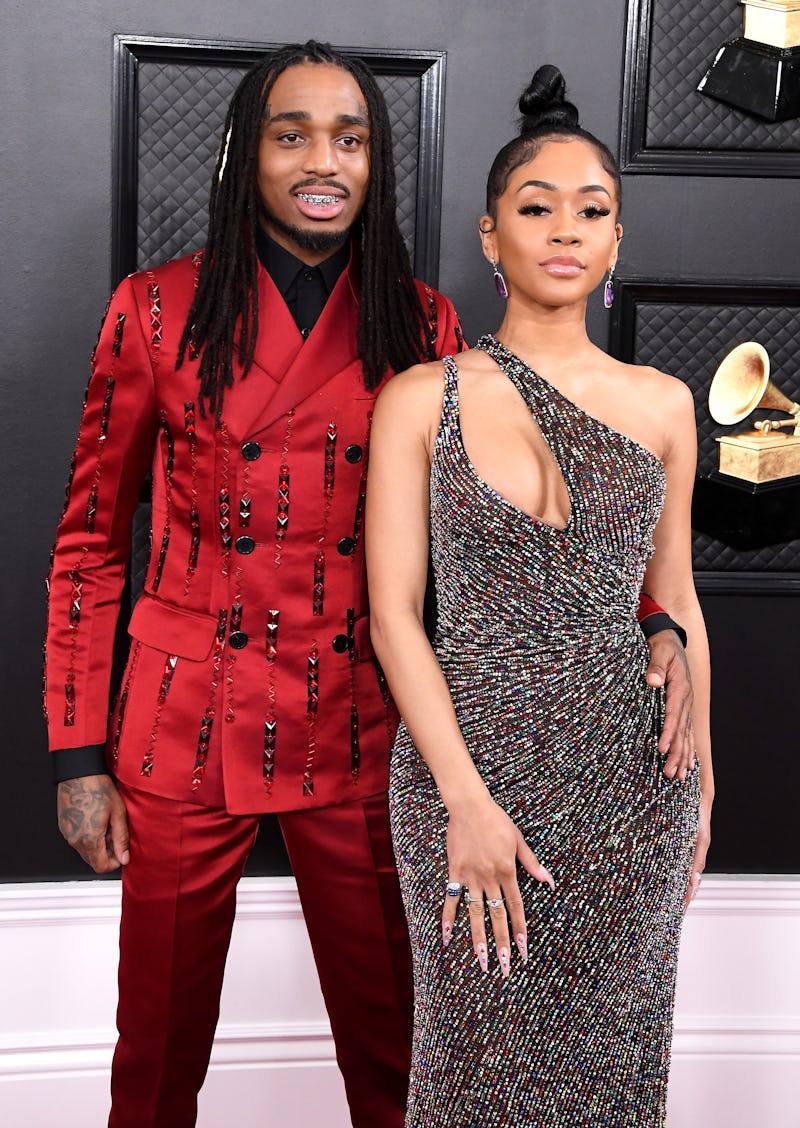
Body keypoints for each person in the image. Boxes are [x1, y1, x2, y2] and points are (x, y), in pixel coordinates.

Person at [43, 41, 693, 1128]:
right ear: (244, 155)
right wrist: (76, 758)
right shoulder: (155, 311)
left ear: (376, 161)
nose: (321, 161)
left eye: (348, 138)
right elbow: (89, 547)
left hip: (356, 725)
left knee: (399, 1057)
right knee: (151, 1061)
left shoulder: (419, 323)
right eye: (289, 133)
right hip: (178, 725)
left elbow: (515, 521)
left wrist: (654, 618)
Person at [366, 63, 713, 1127]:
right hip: (465, 783)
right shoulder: (419, 398)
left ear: (614, 241)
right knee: (468, 1077)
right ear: (488, 237)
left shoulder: (661, 404)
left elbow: (676, 601)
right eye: (535, 207)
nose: (564, 229)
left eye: (591, 210)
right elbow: (392, 617)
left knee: (613, 1080)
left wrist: (701, 789)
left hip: (628, 792)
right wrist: (465, 804)